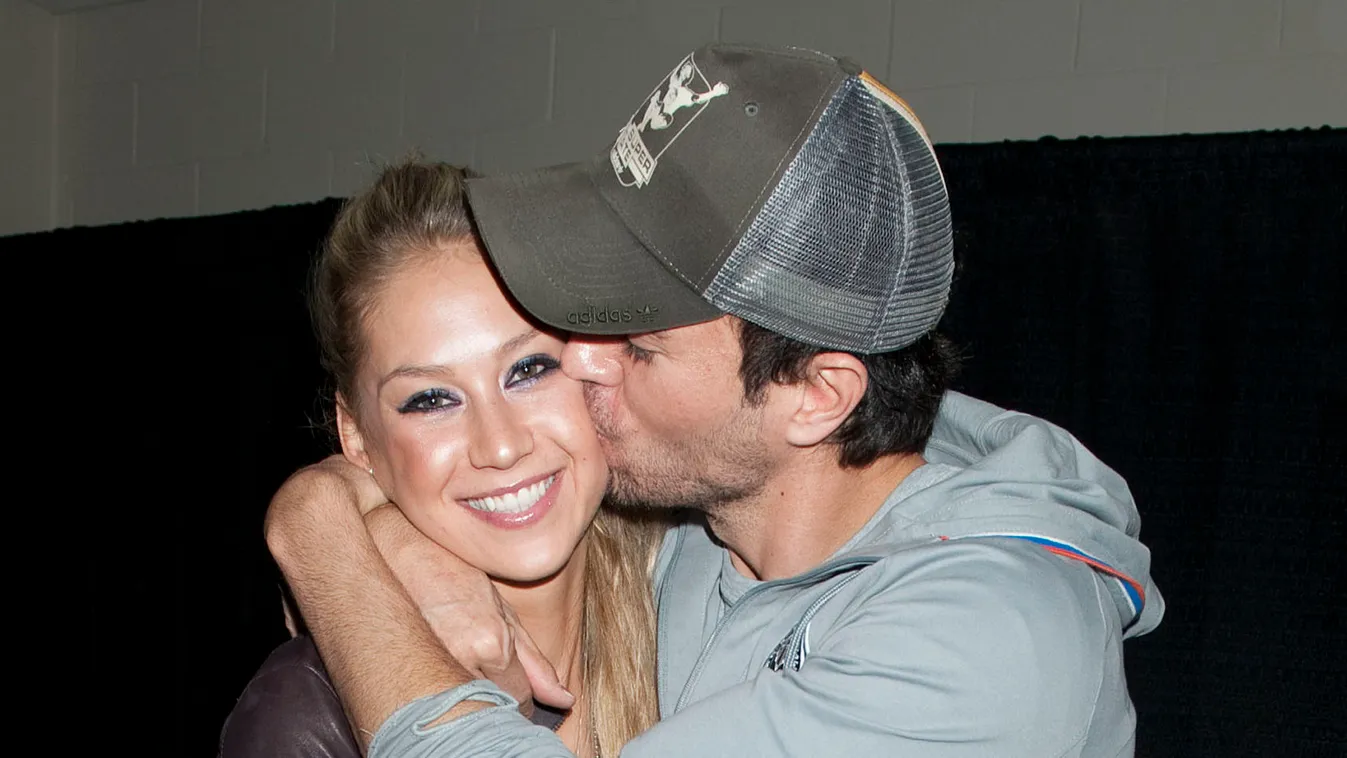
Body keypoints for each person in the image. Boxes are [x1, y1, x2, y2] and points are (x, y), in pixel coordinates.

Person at [265, 42, 1165, 756]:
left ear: (814, 397)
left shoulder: (985, 641)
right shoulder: (704, 529)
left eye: (637, 343)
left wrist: (313, 537)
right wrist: (382, 530)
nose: (578, 361)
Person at [220, 161, 665, 758]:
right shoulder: (306, 716)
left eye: (529, 369)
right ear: (354, 436)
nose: (502, 445)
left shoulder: (716, 601)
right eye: (432, 399)